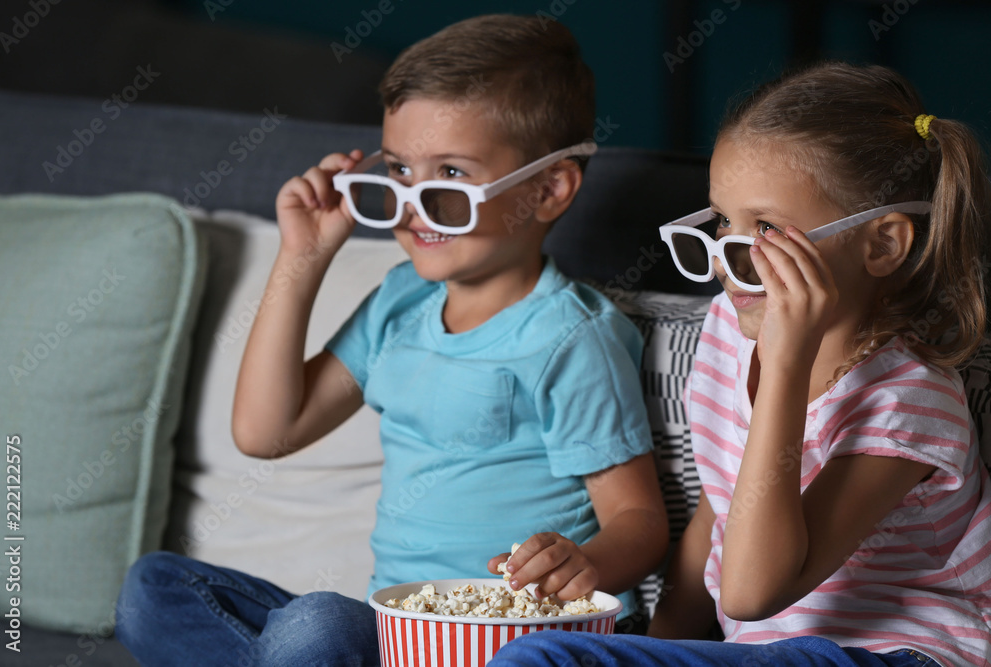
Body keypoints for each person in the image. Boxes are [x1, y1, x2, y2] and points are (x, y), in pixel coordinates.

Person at [114, 14, 668, 666]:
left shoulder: (572, 336)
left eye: (452, 176)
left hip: (514, 641)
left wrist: (582, 561)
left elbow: (640, 520)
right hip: (397, 634)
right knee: (154, 587)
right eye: (400, 169)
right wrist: (304, 256)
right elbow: (268, 430)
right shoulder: (400, 300)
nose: (413, 202)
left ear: (548, 189)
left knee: (313, 629)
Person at [489, 61, 991, 666]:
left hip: (895, 652)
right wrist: (653, 647)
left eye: (767, 230)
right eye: (723, 221)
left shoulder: (909, 399)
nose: (730, 260)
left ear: (881, 244)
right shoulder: (728, 328)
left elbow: (754, 592)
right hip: (761, 653)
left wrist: (784, 363)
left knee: (544, 660)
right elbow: (720, 513)